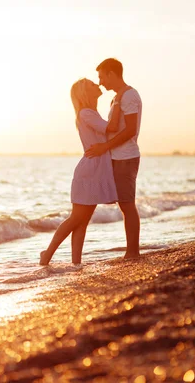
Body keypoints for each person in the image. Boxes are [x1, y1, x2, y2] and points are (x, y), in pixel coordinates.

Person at [39, 78, 127, 265]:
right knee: (77, 218)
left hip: (95, 170)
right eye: (91, 84)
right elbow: (111, 128)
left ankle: (76, 263)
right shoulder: (86, 113)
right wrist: (118, 101)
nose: (97, 84)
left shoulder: (90, 113)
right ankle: (47, 254)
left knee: (82, 220)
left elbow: (107, 131)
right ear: (85, 93)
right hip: (90, 171)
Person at [85, 58, 142, 259]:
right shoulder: (117, 98)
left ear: (111, 73)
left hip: (126, 157)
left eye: (101, 76)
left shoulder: (129, 95)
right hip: (117, 157)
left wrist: (104, 147)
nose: (100, 82)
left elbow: (130, 130)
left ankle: (133, 253)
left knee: (127, 205)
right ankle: (131, 251)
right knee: (124, 205)